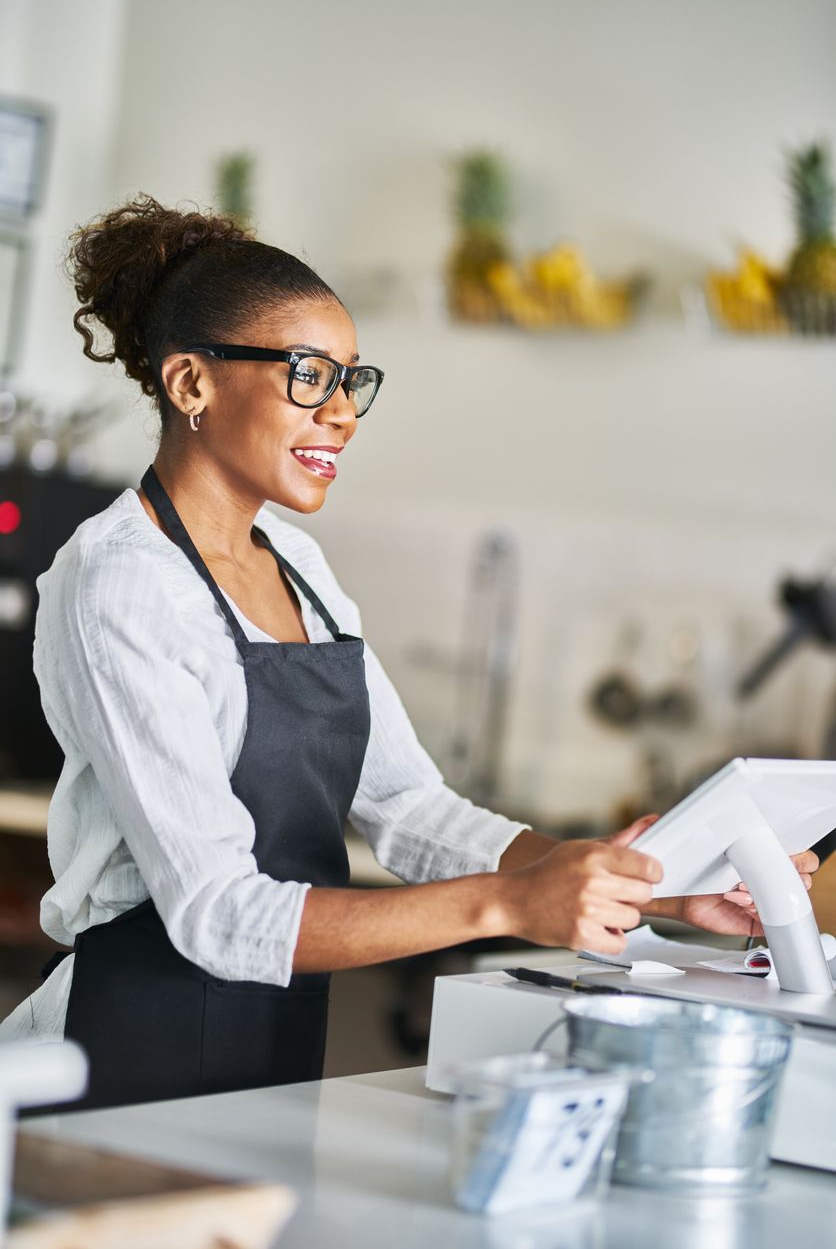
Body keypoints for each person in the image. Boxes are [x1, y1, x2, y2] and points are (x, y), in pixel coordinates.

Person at [0, 197, 818, 1109]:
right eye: (310, 376)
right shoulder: (122, 579)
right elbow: (220, 915)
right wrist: (509, 905)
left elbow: (410, 809)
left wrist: (648, 887)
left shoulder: (298, 566)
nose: (344, 413)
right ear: (191, 384)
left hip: (265, 1053)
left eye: (354, 381)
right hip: (120, 1057)